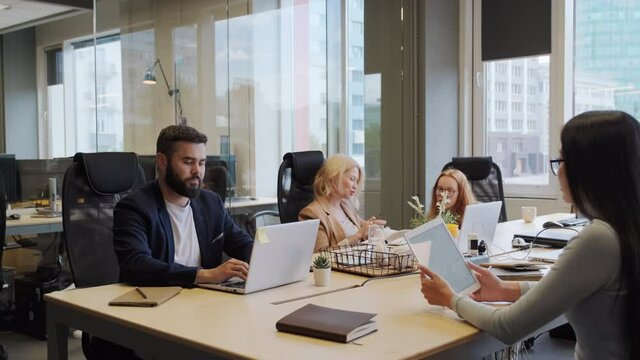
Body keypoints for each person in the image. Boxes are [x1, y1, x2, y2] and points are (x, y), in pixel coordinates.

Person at [419, 110, 640, 359]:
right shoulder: (624, 229)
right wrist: (506, 290)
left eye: (562, 160)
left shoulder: (599, 240)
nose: (559, 171)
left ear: (590, 168)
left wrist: (450, 298)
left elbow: (507, 327)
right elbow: (566, 291)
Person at [113, 125, 253, 287]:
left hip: (205, 301)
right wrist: (206, 274)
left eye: (201, 163)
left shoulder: (211, 203)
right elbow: (137, 265)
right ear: (162, 161)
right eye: (188, 162)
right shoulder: (134, 208)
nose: (197, 171)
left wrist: (262, 259)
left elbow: (243, 244)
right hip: (157, 303)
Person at [298, 154, 386, 252]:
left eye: (357, 181)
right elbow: (321, 256)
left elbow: (361, 226)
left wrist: (371, 227)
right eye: (352, 179)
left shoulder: (344, 205)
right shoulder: (311, 213)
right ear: (333, 177)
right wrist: (358, 235)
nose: (355, 186)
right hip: (337, 267)